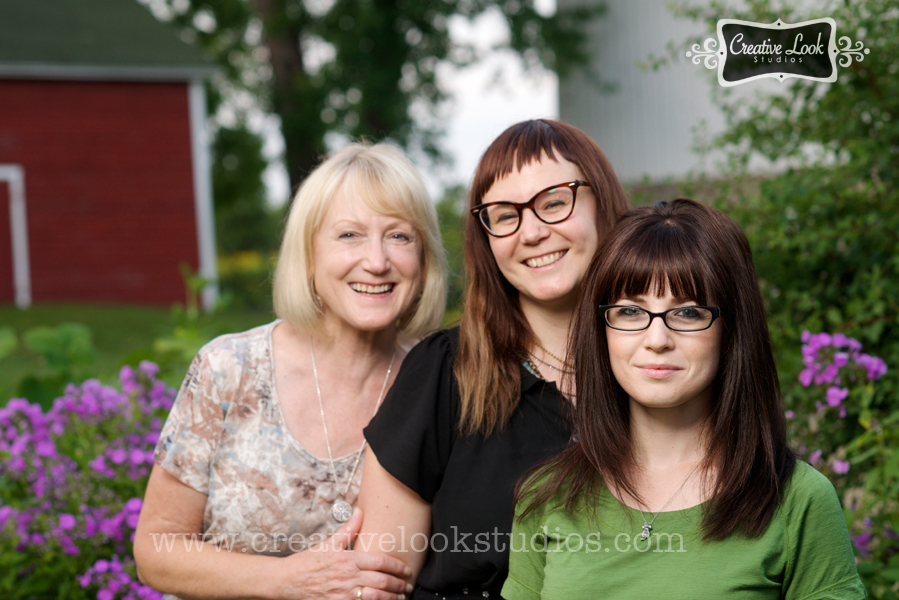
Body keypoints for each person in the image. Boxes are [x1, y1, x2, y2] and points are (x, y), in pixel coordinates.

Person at [502, 199, 866, 599]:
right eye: (629, 311)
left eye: (689, 313)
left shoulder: (798, 500)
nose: (657, 340)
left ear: (732, 330)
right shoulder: (546, 495)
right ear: (601, 328)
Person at [134, 142, 448, 600]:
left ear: (423, 262)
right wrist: (286, 581)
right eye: (349, 235)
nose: (377, 262)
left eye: (399, 236)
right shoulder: (229, 370)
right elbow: (156, 550)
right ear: (308, 256)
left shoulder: (442, 385)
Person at [357, 119, 630, 599]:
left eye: (553, 203)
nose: (532, 232)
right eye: (505, 215)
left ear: (602, 204)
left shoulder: (663, 363)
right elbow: (379, 583)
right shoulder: (443, 372)